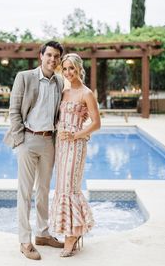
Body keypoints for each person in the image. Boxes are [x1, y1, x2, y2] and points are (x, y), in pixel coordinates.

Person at [4, 41, 65, 260]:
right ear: (41, 56)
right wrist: (20, 140)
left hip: (49, 141)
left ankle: (43, 233)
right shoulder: (24, 77)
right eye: (49, 55)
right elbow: (14, 111)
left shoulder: (59, 81)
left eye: (56, 56)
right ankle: (24, 240)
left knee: (43, 191)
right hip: (28, 140)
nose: (52, 59)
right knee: (25, 192)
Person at [50, 53, 101, 257]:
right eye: (65, 69)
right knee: (62, 186)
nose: (68, 72)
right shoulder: (64, 91)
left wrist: (75, 134)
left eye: (72, 68)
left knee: (70, 187)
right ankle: (70, 231)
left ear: (79, 68)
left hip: (76, 144)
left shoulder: (86, 93)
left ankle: (72, 236)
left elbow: (97, 123)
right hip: (61, 145)